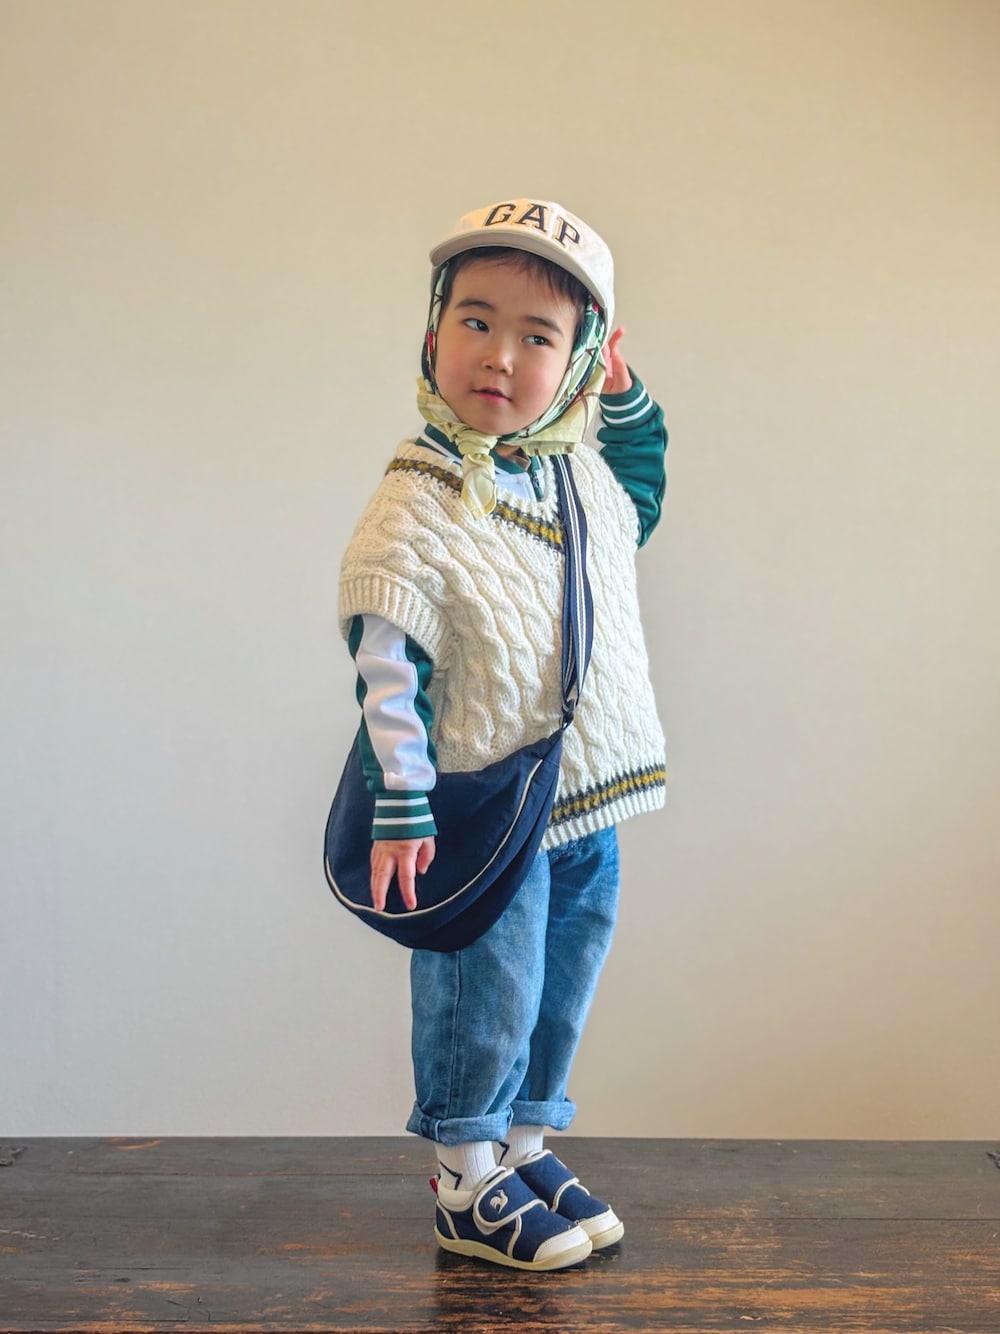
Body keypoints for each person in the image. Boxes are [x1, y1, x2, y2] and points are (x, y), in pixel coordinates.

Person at [338, 199, 667, 1270]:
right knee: (485, 989)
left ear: (578, 366)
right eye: (475, 321)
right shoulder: (419, 496)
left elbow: (641, 490)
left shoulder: (577, 477)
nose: (499, 355)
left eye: (539, 336)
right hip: (484, 803)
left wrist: (627, 401)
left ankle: (525, 1147)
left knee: (560, 984)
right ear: (434, 330)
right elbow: (389, 663)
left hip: (587, 796)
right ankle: (464, 1174)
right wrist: (402, 800)